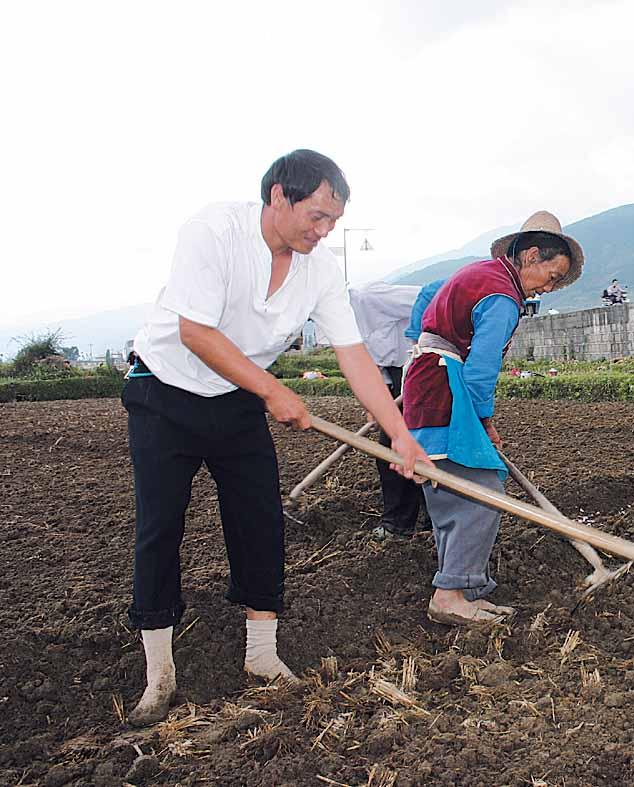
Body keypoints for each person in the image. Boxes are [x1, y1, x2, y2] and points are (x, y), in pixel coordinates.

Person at [121, 150, 431, 726]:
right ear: (278, 197)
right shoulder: (213, 231)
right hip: (165, 392)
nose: (324, 231)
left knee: (260, 517)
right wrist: (272, 392)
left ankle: (261, 654)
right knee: (161, 524)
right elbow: (195, 332)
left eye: (333, 222)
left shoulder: (320, 268)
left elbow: (354, 354)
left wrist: (400, 435)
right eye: (316, 217)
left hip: (237, 400)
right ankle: (158, 672)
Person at [401, 211, 584, 625]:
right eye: (551, 276)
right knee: (481, 489)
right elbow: (482, 368)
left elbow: (433, 296)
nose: (549, 287)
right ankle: (449, 594)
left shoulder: (483, 273)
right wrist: (483, 419)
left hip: (429, 382)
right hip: (445, 389)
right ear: (532, 255)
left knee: (451, 490)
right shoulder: (502, 297)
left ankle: (462, 588)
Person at [348, 282, 431, 538]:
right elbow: (369, 358)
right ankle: (400, 523)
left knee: (425, 446)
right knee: (390, 452)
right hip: (396, 379)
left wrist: (422, 343)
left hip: (422, 372)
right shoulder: (335, 320)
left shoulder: (370, 297)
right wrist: (378, 399)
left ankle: (431, 521)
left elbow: (430, 298)